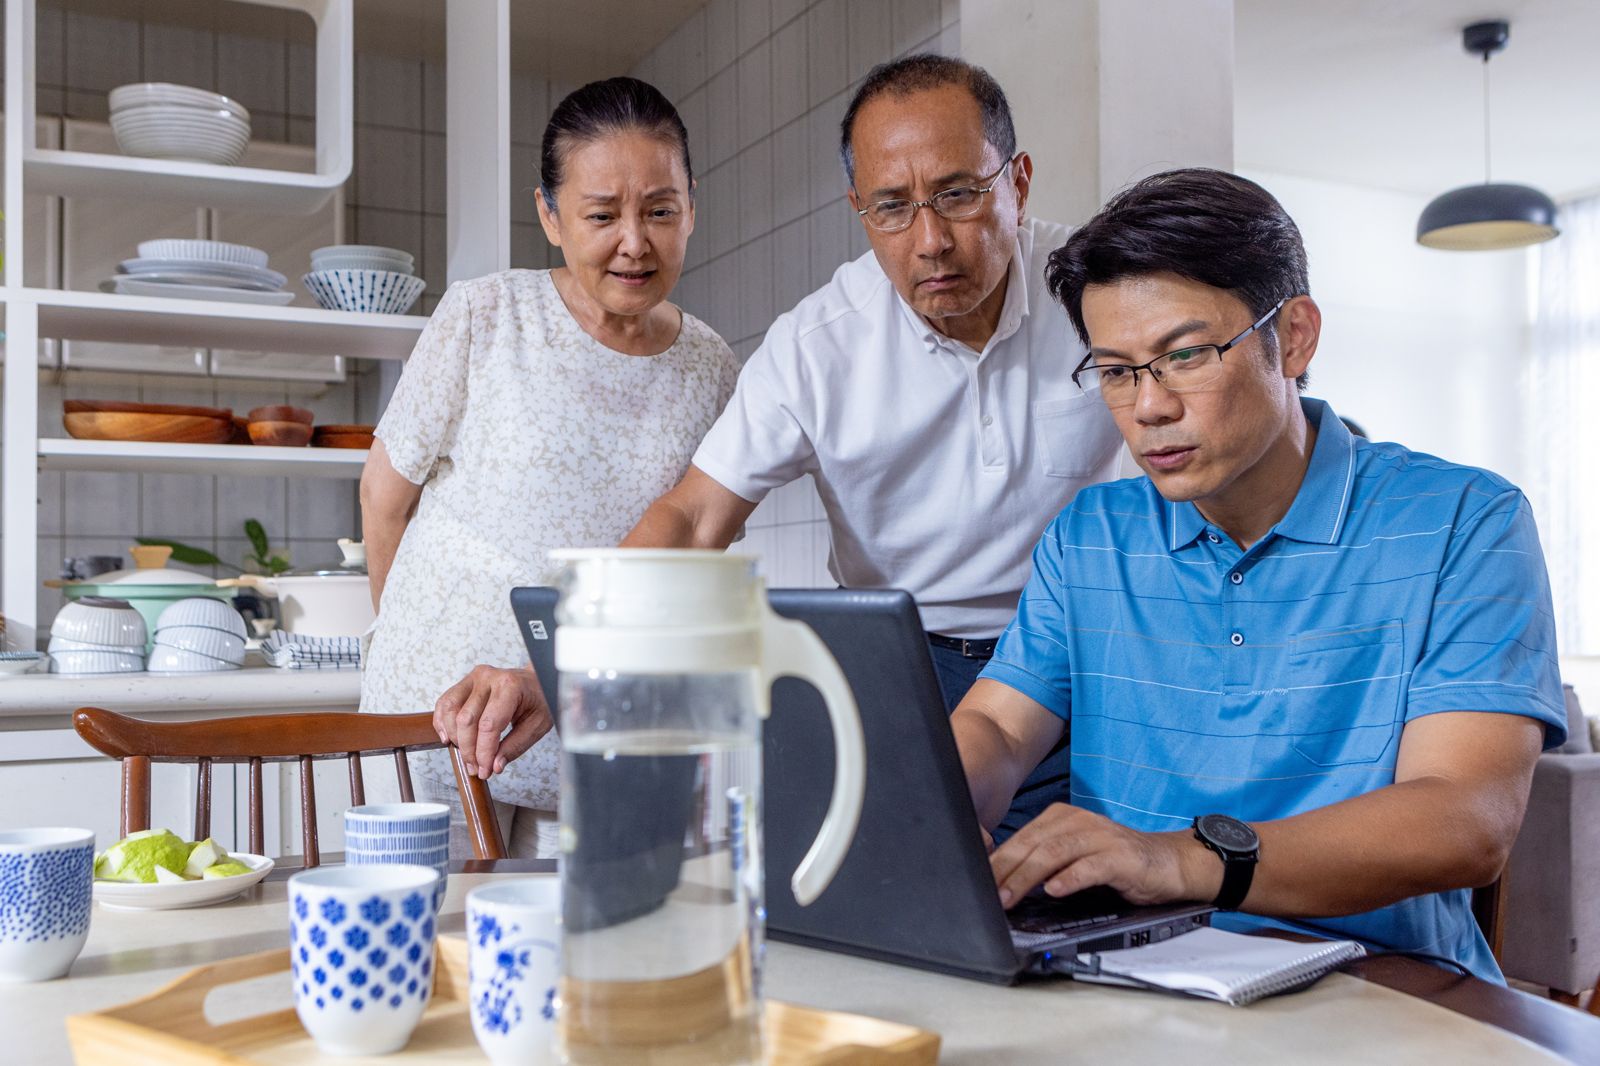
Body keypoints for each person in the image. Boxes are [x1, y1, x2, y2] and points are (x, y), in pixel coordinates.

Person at [433, 54, 1124, 838]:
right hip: (904, 665)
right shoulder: (818, 345)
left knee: (1082, 883)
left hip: (1076, 653)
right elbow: (695, 517)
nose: (931, 239)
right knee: (907, 884)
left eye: (959, 194)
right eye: (892, 207)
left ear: (1018, 183)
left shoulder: (1101, 294)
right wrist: (559, 666)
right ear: (858, 209)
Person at [952, 167, 1565, 982]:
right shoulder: (1090, 537)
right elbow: (998, 730)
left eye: (1183, 356)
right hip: (1135, 977)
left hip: (1384, 984)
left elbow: (1466, 818)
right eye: (1116, 371)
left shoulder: (1465, 520)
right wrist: (932, 806)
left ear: (1296, 338)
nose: (1149, 407)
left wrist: (1181, 860)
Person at [359, 77, 739, 858]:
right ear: (550, 215)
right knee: (438, 925)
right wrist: (402, 651)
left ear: (692, 208)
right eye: (601, 215)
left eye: (660, 211)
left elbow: (691, 563)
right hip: (440, 724)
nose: (634, 241)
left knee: (591, 934)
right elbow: (383, 497)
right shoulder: (485, 315)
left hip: (600, 739)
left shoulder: (711, 366)